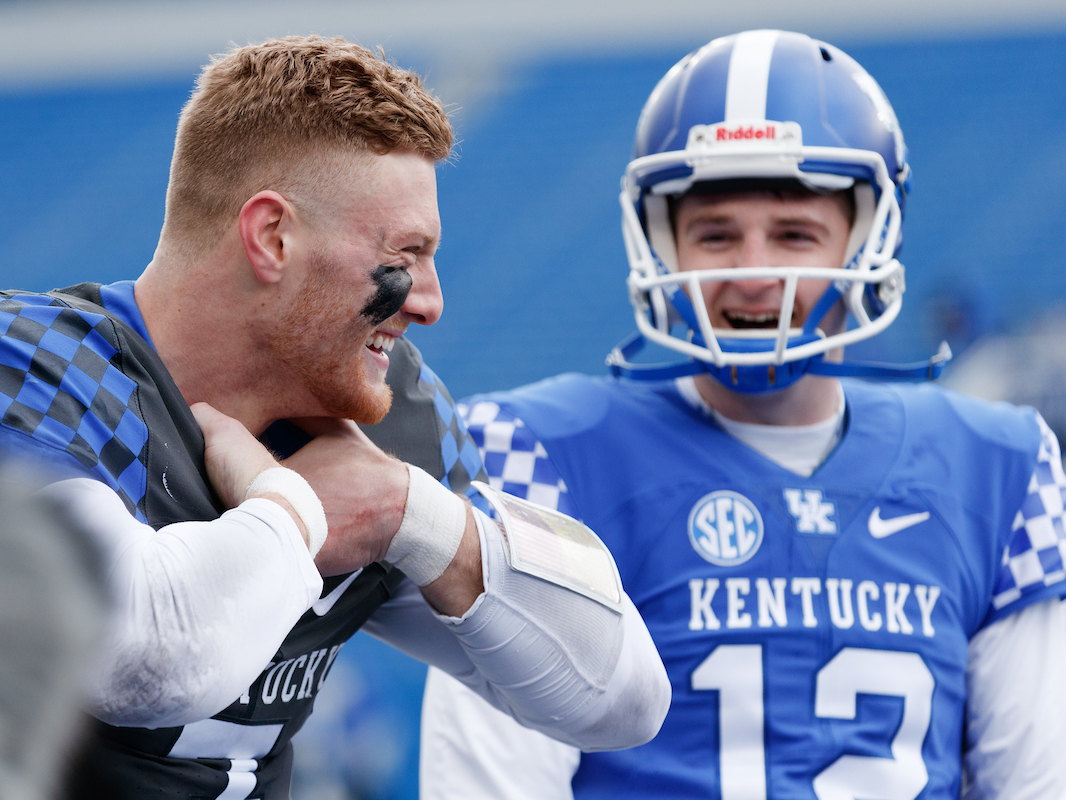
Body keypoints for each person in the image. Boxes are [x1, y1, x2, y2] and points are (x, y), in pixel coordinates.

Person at [0, 36, 670, 800]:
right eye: (404, 255)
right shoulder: (21, 368)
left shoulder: (379, 421)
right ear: (272, 238)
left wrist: (415, 515)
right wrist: (292, 511)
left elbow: (622, 697)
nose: (430, 302)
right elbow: (149, 660)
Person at [420, 29, 1066, 800]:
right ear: (664, 244)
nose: (754, 272)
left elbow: (1035, 779)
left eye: (795, 234)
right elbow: (490, 785)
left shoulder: (1000, 466)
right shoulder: (540, 452)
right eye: (717, 235)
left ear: (866, 239)